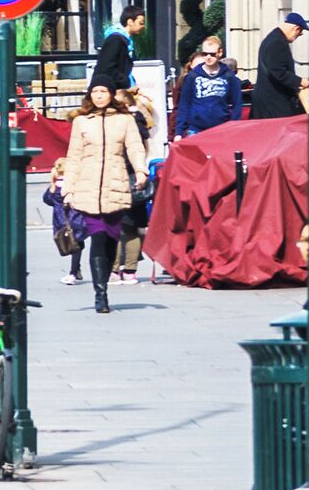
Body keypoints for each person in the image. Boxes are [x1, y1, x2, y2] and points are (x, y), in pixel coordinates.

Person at [51, 81, 150, 313]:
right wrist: (69, 187)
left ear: (111, 94)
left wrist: (140, 169)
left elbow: (135, 147)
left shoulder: (125, 120)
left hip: (115, 183)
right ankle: (100, 294)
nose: (98, 95)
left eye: (103, 91)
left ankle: (104, 280)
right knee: (97, 237)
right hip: (88, 186)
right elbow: (74, 156)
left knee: (111, 239)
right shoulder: (81, 121)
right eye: (94, 91)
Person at [174, 29, 249, 136]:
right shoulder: (193, 76)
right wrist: (179, 132)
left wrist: (234, 127)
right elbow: (184, 105)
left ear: (220, 53)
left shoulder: (228, 76)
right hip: (195, 129)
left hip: (222, 129)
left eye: (212, 54)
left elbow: (237, 104)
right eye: (205, 54)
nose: (208, 57)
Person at [250, 12, 308, 119]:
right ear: (296, 28)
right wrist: (300, 81)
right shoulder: (277, 42)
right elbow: (277, 71)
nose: (297, 37)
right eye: (299, 34)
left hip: (268, 100)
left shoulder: (273, 38)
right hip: (273, 102)